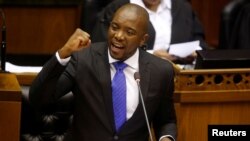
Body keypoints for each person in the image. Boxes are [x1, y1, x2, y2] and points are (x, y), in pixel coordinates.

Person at [29, 3, 177, 141]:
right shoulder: (84, 59)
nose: (118, 36)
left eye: (129, 32)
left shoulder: (161, 71)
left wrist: (166, 138)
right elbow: (39, 98)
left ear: (143, 40)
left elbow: (166, 120)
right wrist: (63, 53)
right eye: (114, 27)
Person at [91, 0, 208, 64]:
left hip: (182, 77)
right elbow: (102, 50)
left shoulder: (183, 8)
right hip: (136, 74)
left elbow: (201, 43)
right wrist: (151, 56)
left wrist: (195, 53)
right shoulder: (119, 8)